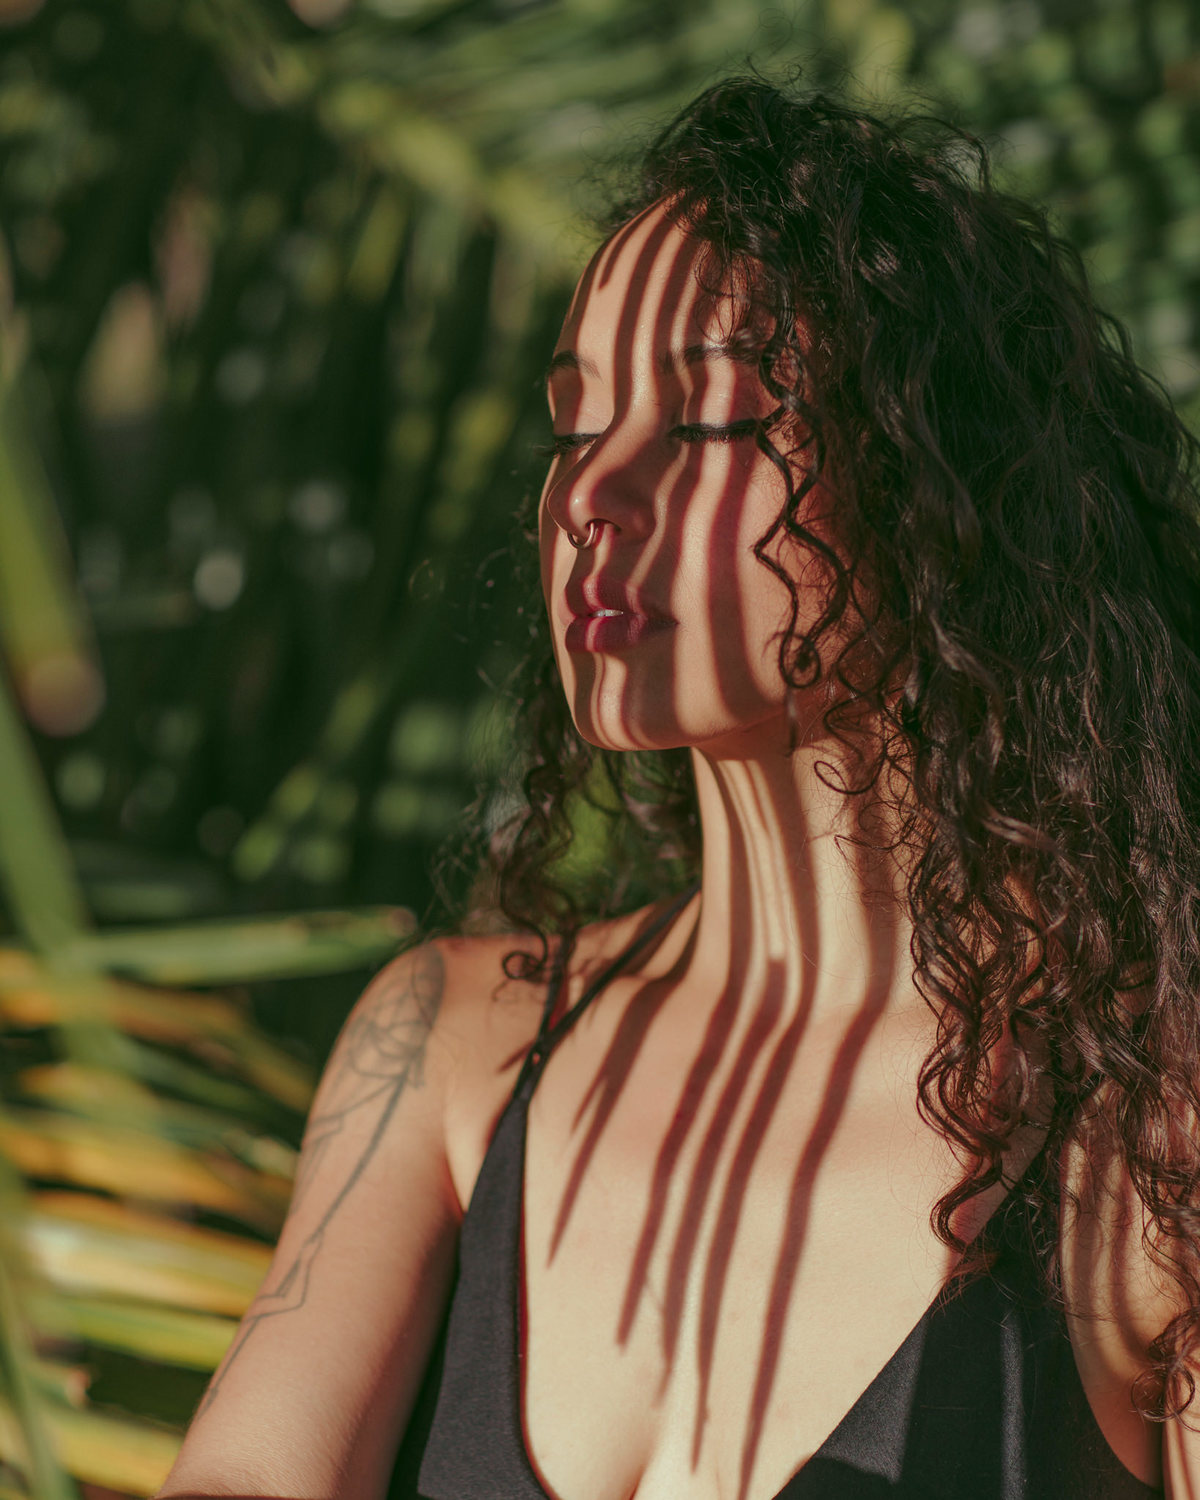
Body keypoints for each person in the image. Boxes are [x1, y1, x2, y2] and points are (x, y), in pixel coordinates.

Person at [157, 76, 1200, 1500]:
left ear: (941, 480)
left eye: (705, 423)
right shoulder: (453, 1052)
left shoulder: (1144, 1128)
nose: (593, 494)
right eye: (575, 425)